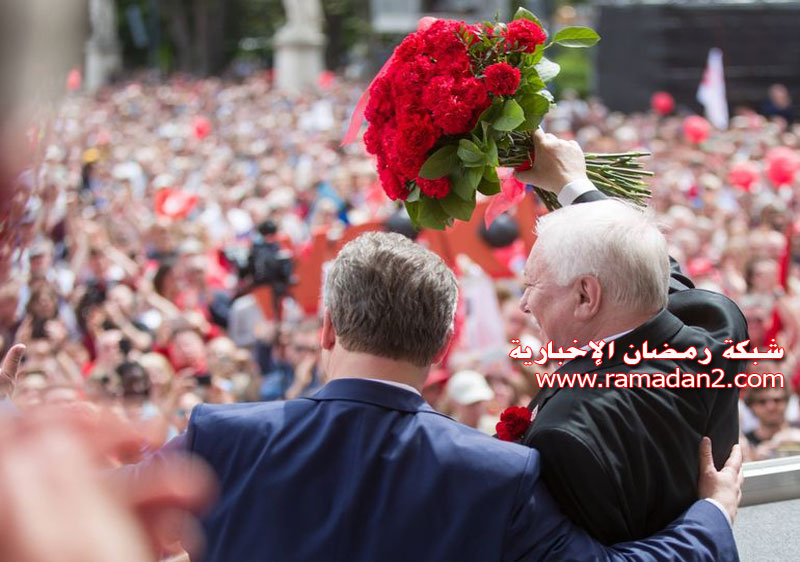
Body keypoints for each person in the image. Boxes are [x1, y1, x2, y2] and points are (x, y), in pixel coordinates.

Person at [148, 232, 741, 561]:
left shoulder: (218, 438)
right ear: (441, 348)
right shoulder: (499, 475)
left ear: (327, 329)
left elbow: (80, 511)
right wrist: (711, 515)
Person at [514, 130, 748, 544]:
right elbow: (648, 268)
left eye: (531, 284)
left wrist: (710, 517)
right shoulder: (718, 327)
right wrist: (573, 184)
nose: (524, 305)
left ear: (587, 295)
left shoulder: (565, 432)